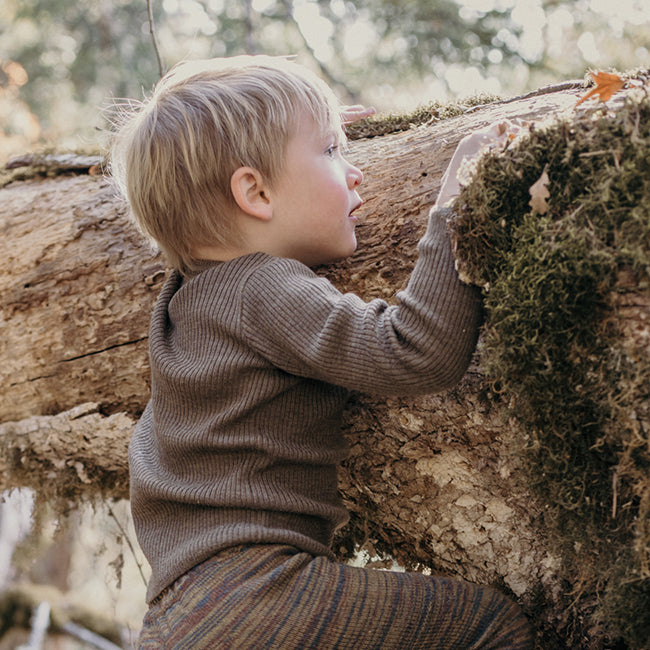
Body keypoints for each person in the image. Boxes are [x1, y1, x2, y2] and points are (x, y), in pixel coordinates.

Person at [110, 55, 532, 649]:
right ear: (254, 190)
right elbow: (415, 351)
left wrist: (309, 151)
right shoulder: (265, 288)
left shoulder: (183, 303)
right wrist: (463, 197)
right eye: (335, 152)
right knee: (490, 626)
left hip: (180, 615)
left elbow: (193, 206)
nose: (356, 171)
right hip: (257, 599)